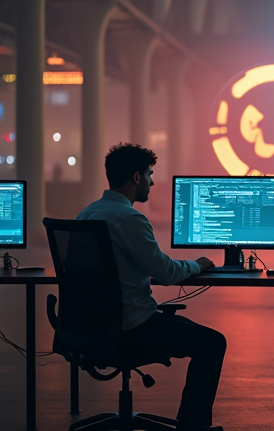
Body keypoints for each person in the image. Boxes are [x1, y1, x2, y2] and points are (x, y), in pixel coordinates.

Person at [77, 143, 226, 431]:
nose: (152, 181)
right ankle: (193, 428)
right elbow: (167, 272)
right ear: (136, 178)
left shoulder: (87, 215)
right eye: (150, 174)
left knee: (186, 328)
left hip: (90, 327)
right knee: (212, 343)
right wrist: (198, 264)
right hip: (132, 329)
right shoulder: (130, 219)